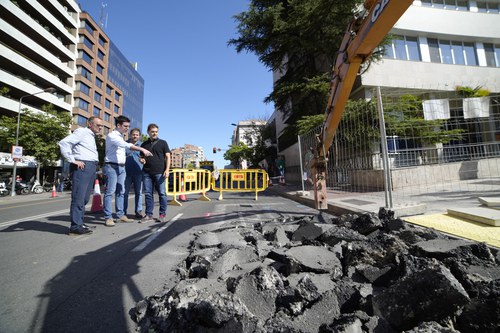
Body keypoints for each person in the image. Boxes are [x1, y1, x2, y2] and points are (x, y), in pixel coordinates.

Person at [103, 116, 152, 227]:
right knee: (110, 192)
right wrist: (142, 149)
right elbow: (126, 145)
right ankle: (108, 217)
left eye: (128, 126)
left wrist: (141, 157)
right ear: (118, 125)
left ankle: (121, 215)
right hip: (112, 167)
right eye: (125, 126)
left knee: (121, 191)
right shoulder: (112, 136)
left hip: (122, 168)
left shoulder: (120, 136)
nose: (127, 128)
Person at [58, 116, 103, 235]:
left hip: (91, 166)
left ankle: (79, 222)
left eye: (101, 125)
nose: (100, 127)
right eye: (98, 125)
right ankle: (75, 226)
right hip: (82, 166)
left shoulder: (91, 136)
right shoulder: (82, 132)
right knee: (79, 197)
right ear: (90, 124)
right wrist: (72, 160)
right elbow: (64, 143)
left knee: (85, 198)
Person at [139, 123, 171, 223]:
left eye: (156, 132)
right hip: (147, 172)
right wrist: (142, 160)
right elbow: (141, 157)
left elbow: (168, 157)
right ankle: (148, 214)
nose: (154, 133)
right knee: (148, 194)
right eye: (152, 132)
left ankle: (162, 214)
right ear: (148, 132)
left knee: (162, 193)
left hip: (160, 172)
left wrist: (167, 170)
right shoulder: (144, 144)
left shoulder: (163, 143)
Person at [124, 128, 144, 218]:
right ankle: (123, 211)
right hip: (126, 172)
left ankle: (138, 211)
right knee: (124, 192)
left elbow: (144, 157)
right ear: (130, 135)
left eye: (137, 134)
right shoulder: (125, 144)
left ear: (139, 136)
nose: (135, 136)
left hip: (138, 172)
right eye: (133, 134)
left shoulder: (142, 145)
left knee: (138, 193)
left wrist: (144, 160)